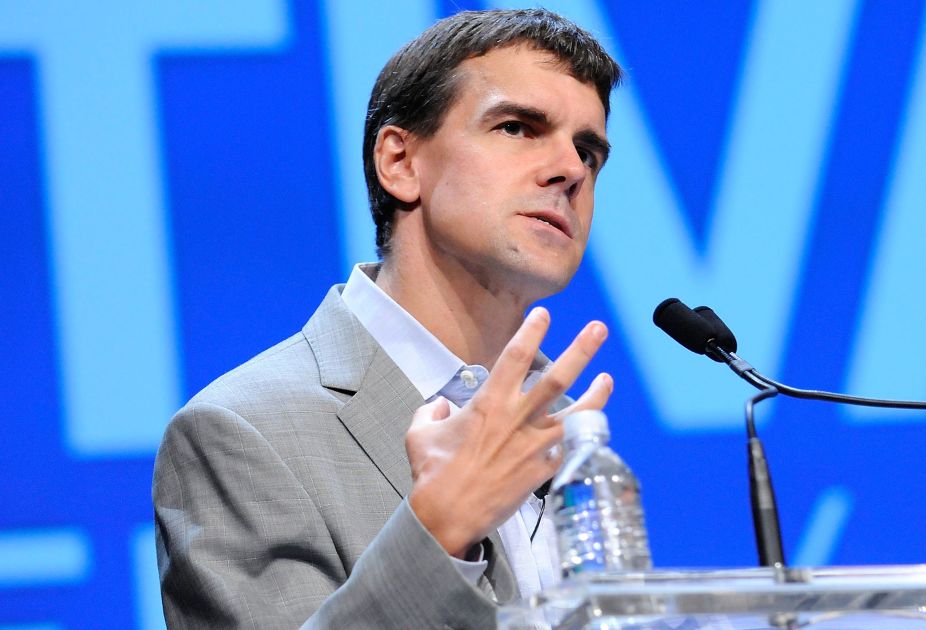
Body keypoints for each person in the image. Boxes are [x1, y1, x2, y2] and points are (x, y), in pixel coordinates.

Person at [152, 8, 622, 628]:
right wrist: (440, 529)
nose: (570, 169)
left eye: (587, 150)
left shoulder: (560, 428)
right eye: (517, 128)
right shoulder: (239, 434)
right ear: (400, 162)